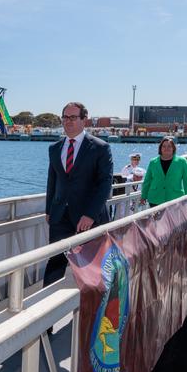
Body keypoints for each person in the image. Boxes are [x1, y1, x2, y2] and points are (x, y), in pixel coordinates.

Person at [44, 102, 113, 292]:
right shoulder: (54, 148)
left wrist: (90, 214)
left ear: (84, 120)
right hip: (59, 216)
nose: (68, 122)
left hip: (88, 218)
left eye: (73, 117)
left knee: (92, 267)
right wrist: (49, 209)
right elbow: (52, 180)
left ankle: (92, 312)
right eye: (65, 117)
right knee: (55, 262)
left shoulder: (100, 148)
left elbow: (105, 185)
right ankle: (46, 313)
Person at [140, 137, 187, 207]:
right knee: (156, 218)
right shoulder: (153, 162)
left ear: (173, 148)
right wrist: (143, 196)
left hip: (175, 198)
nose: (166, 148)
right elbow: (147, 180)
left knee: (174, 218)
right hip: (155, 198)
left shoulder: (182, 162)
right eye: (164, 146)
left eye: (169, 146)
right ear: (160, 148)